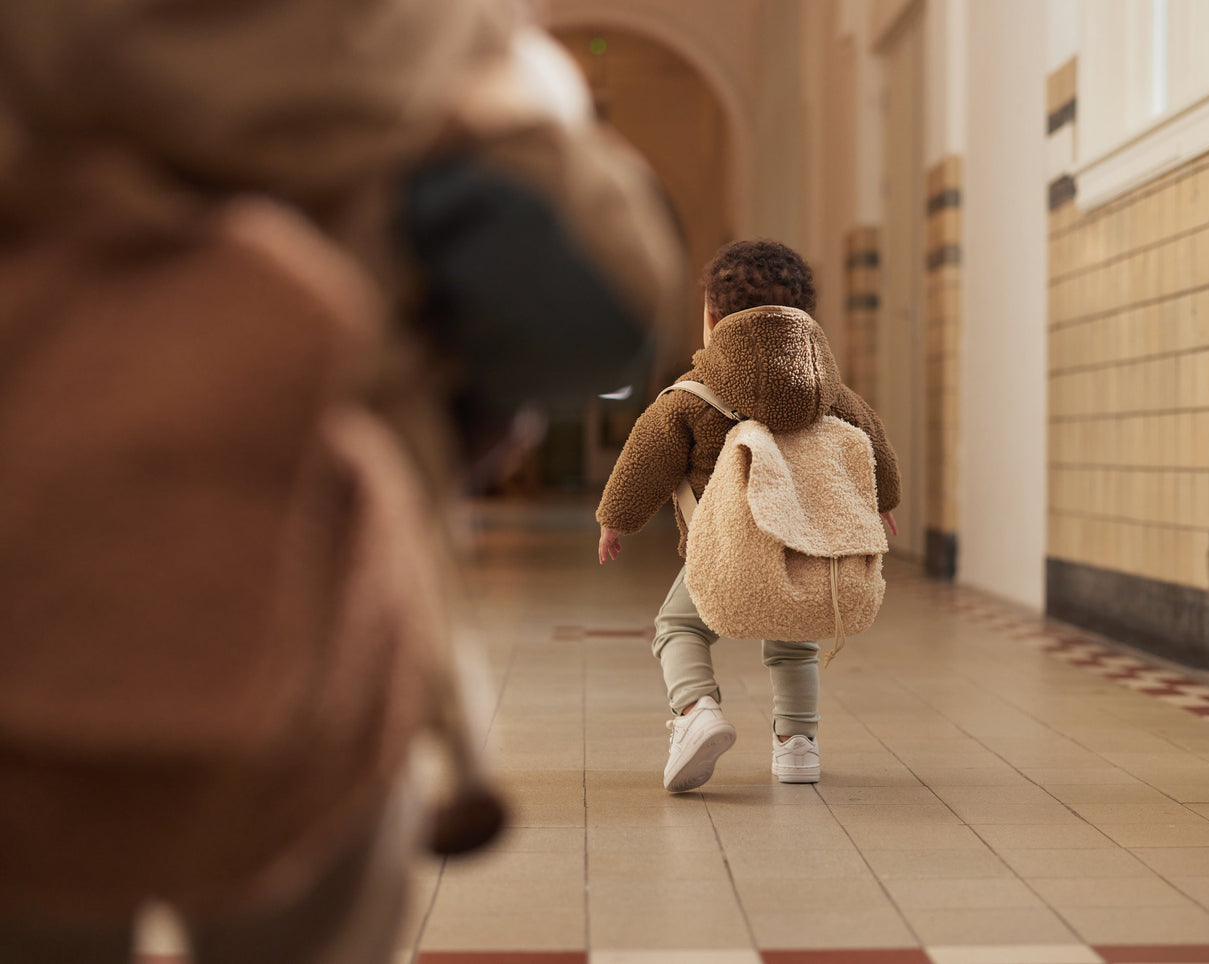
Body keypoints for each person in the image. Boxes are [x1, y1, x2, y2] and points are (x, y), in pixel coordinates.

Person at [0, 0, 681, 960]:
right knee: (311, 911)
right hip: (323, 577)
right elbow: (593, 317)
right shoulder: (425, 38)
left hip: (29, 549)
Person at [596, 240, 900, 792]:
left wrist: (616, 517)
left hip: (724, 553)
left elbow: (648, 454)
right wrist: (881, 504)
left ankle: (697, 711)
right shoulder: (831, 395)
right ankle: (798, 746)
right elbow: (871, 443)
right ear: (805, 318)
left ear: (712, 320)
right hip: (801, 548)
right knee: (794, 642)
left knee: (678, 626)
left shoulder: (691, 396)